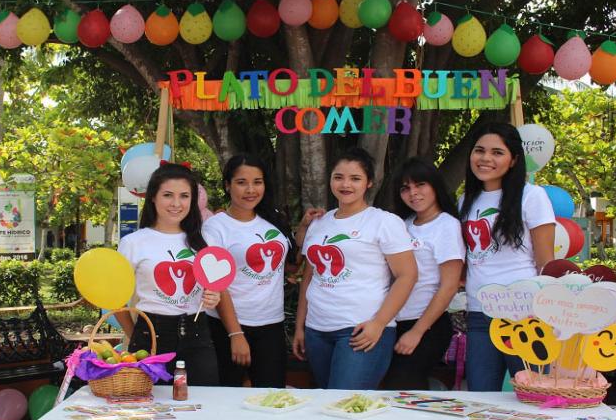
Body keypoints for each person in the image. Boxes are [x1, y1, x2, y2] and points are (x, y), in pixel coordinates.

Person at [292, 148, 418, 390]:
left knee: (344, 404)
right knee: (326, 405)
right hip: (317, 330)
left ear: (369, 182)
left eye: (355, 178)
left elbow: (407, 275)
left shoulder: (384, 222)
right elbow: (309, 278)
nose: (345, 184)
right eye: (339, 177)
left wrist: (379, 323)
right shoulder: (319, 223)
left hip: (361, 330)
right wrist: (300, 327)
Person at [459, 122, 555, 391]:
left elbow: (546, 262)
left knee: (535, 393)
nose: (486, 158)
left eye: (497, 152)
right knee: (480, 397)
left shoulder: (532, 196)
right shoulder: (465, 201)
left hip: (523, 314)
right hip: (480, 313)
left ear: (513, 160)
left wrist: (546, 314)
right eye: (479, 150)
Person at [115, 163, 221, 385]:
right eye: (167, 195)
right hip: (150, 336)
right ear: (153, 197)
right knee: (150, 410)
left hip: (198, 335)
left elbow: (215, 288)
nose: (176, 203)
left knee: (202, 406)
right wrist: (136, 335)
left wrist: (214, 296)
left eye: (184, 196)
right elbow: (116, 300)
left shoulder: (205, 241)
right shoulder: (133, 242)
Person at [204, 154, 294, 388]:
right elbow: (216, 282)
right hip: (228, 326)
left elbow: (290, 266)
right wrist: (236, 334)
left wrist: (304, 229)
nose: (250, 189)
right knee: (225, 399)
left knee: (271, 400)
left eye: (258, 181)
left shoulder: (273, 221)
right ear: (227, 185)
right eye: (241, 182)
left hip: (271, 325)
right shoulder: (216, 226)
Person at [383, 158, 465, 390]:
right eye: (405, 188)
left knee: (402, 391)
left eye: (420, 185)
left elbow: (449, 286)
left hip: (427, 325)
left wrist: (417, 332)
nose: (413, 193)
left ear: (434, 186)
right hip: (394, 322)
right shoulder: (402, 224)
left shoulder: (446, 226)